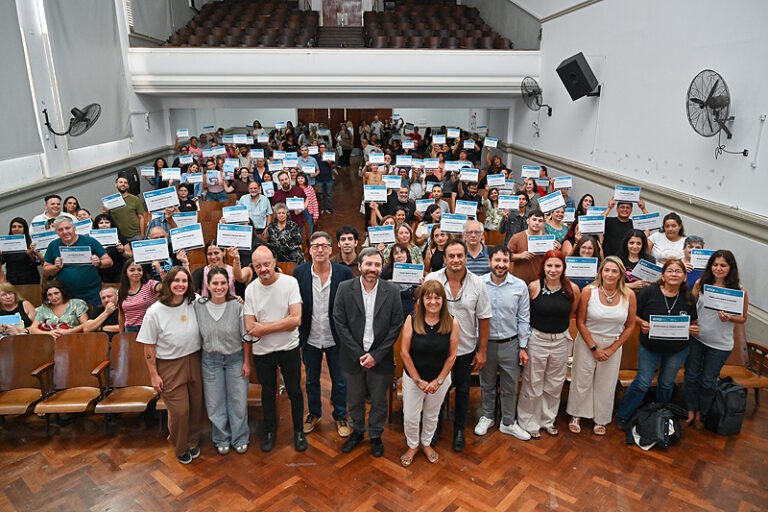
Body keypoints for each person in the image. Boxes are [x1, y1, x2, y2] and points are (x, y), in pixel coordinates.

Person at [333, 248, 404, 458]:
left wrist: (377, 355)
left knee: (379, 400)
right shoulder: (345, 288)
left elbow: (396, 325)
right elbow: (339, 322)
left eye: (377, 265)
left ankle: (375, 435)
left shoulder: (391, 291)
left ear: (381, 268)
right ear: (360, 266)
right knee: (354, 398)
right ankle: (357, 432)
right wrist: (359, 354)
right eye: (369, 264)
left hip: (380, 359)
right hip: (352, 357)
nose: (373, 268)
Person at [616, 259, 700, 430]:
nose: (674, 274)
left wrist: (694, 329)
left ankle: (660, 416)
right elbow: (632, 315)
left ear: (684, 276)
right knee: (642, 383)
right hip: (650, 348)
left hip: (678, 350)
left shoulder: (688, 297)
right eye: (670, 271)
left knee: (667, 384)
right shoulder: (649, 292)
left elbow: (695, 323)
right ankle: (623, 415)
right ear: (663, 275)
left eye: (678, 271)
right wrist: (642, 323)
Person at [424, 239, 491, 452]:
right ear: (444, 259)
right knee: (435, 391)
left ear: (466, 258)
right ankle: (433, 429)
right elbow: (422, 312)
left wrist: (482, 351)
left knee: (462, 391)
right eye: (451, 256)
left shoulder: (478, 283)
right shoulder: (432, 279)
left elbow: (484, 318)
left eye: (459, 256)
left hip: (465, 349)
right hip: (437, 349)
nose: (455, 260)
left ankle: (459, 429)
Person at [244, 246, 306, 453]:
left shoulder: (290, 283)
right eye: (258, 266)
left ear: (274, 262)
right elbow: (250, 327)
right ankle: (270, 432)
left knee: (295, 391)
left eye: (266, 264)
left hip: (288, 348)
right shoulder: (251, 289)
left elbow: (296, 319)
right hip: (263, 352)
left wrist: (265, 328)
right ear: (253, 267)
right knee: (268, 393)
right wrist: (278, 325)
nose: (263, 269)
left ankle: (299, 432)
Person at [138, 266, 203, 464]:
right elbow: (148, 347)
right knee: (180, 410)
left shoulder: (195, 301)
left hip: (195, 359)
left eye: (184, 281)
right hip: (169, 365)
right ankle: (179, 445)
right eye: (176, 281)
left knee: (196, 406)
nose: (180, 285)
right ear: (168, 283)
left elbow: (217, 302)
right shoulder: (154, 312)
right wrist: (153, 375)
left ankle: (192, 441)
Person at [293, 232, 355, 438]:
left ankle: (340, 415)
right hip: (310, 336)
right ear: (309, 250)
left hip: (336, 337)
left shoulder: (344, 273)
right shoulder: (299, 272)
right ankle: (314, 414)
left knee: (339, 380)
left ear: (330, 249)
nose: (319, 250)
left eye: (324, 246)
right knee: (311, 380)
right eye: (315, 246)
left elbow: (351, 305)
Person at [567, 257, 636, 435]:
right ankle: (576, 415)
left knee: (606, 383)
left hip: (613, 343)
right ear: (601, 272)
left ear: (621, 273)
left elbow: (630, 326)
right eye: (607, 270)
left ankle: (601, 419)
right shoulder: (589, 291)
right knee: (582, 380)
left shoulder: (629, 294)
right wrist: (594, 347)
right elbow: (580, 322)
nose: (610, 274)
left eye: (614, 271)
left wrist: (612, 349)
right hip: (587, 341)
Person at [516, 251, 580, 438]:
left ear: (563, 268)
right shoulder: (534, 287)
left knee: (554, 384)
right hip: (537, 340)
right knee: (533, 383)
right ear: (543, 267)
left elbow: (571, 314)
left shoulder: (572, 289)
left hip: (560, 341)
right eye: (549, 265)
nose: (553, 270)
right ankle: (529, 421)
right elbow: (524, 316)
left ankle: (547, 420)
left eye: (557, 266)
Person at [684, 250, 748, 429]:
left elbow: (743, 318)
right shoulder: (701, 283)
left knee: (708, 380)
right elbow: (691, 307)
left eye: (723, 265)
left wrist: (730, 317)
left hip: (720, 343)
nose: (718, 269)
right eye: (715, 265)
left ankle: (702, 413)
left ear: (730, 268)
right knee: (691, 375)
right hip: (697, 338)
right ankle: (690, 409)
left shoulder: (739, 291)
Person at [399, 280, 459, 466]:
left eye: (437, 297)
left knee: (432, 415)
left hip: (439, 380)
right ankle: (412, 445)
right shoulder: (412, 319)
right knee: (410, 415)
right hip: (413, 379)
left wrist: (438, 381)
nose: (433, 301)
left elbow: (452, 355)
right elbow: (404, 353)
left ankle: (425, 443)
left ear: (443, 300)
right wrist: (418, 381)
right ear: (422, 300)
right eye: (428, 297)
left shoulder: (452, 321)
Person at [475, 246, 531, 440]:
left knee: (510, 385)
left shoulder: (520, 286)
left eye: (505, 261)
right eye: (497, 260)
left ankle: (508, 422)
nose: (501, 265)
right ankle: (487, 416)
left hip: (511, 343)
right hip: (485, 344)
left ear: (510, 263)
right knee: (487, 383)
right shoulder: (478, 284)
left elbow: (523, 318)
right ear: (490, 262)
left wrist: (523, 346)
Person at [194, 268, 250, 455]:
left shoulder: (238, 306)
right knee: (214, 402)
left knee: (238, 401)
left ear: (229, 285)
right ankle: (221, 438)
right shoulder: (198, 305)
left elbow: (245, 337)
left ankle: (240, 437)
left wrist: (247, 362)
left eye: (223, 283)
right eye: (215, 283)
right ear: (208, 285)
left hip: (236, 359)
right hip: (210, 361)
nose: (219, 287)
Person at [42, 217, 112, 306]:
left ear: (74, 228)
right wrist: (56, 267)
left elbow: (109, 261)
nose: (65, 232)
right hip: (67, 295)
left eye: (67, 228)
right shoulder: (53, 245)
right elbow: (45, 269)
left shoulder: (89, 241)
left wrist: (99, 263)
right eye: (60, 230)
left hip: (93, 294)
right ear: (56, 231)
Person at [118, 258, 160, 333]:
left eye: (139, 270)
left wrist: (160, 270)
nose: (136, 272)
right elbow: (121, 314)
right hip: (130, 330)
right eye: (132, 270)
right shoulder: (121, 291)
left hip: (150, 327)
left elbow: (167, 288)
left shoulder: (150, 284)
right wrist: (121, 333)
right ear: (126, 273)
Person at [507, 210, 547, 284]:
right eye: (534, 220)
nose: (537, 223)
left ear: (543, 223)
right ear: (528, 221)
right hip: (520, 281)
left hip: (540, 281)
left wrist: (555, 250)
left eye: (540, 221)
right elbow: (506, 256)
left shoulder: (548, 239)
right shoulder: (516, 237)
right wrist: (520, 256)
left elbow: (553, 259)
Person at [381, 243, 420, 320]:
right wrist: (387, 285)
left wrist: (420, 285)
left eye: (402, 252)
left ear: (407, 255)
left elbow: (416, 295)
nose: (399, 256)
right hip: (390, 312)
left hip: (409, 311)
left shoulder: (414, 270)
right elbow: (378, 292)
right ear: (392, 257)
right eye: (396, 253)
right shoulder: (385, 271)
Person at [91, 214, 132, 284]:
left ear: (111, 224)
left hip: (118, 273)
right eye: (101, 223)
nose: (104, 225)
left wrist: (122, 251)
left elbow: (130, 256)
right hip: (100, 274)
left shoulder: (119, 237)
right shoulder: (92, 240)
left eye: (107, 222)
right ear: (97, 225)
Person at [104, 176, 146, 242]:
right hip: (120, 237)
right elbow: (108, 220)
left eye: (125, 183)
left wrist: (142, 235)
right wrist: (104, 212)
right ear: (116, 184)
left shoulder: (135, 199)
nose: (123, 184)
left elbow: (141, 218)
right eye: (120, 182)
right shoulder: (110, 201)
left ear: (128, 186)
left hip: (136, 235)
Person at [1, 218, 42, 285]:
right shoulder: (5, 243)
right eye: (14, 227)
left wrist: (31, 254)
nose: (16, 229)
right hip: (12, 280)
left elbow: (38, 262)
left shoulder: (31, 242)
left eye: (20, 227)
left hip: (30, 279)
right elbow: (2, 261)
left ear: (24, 228)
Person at [314, 142, 335, 214]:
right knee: (321, 194)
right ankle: (322, 208)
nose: (322, 149)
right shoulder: (316, 157)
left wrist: (329, 162)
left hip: (329, 178)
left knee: (329, 194)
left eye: (324, 147)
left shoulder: (329, 156)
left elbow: (333, 167)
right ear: (319, 149)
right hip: (319, 178)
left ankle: (329, 208)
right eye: (321, 148)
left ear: (326, 148)